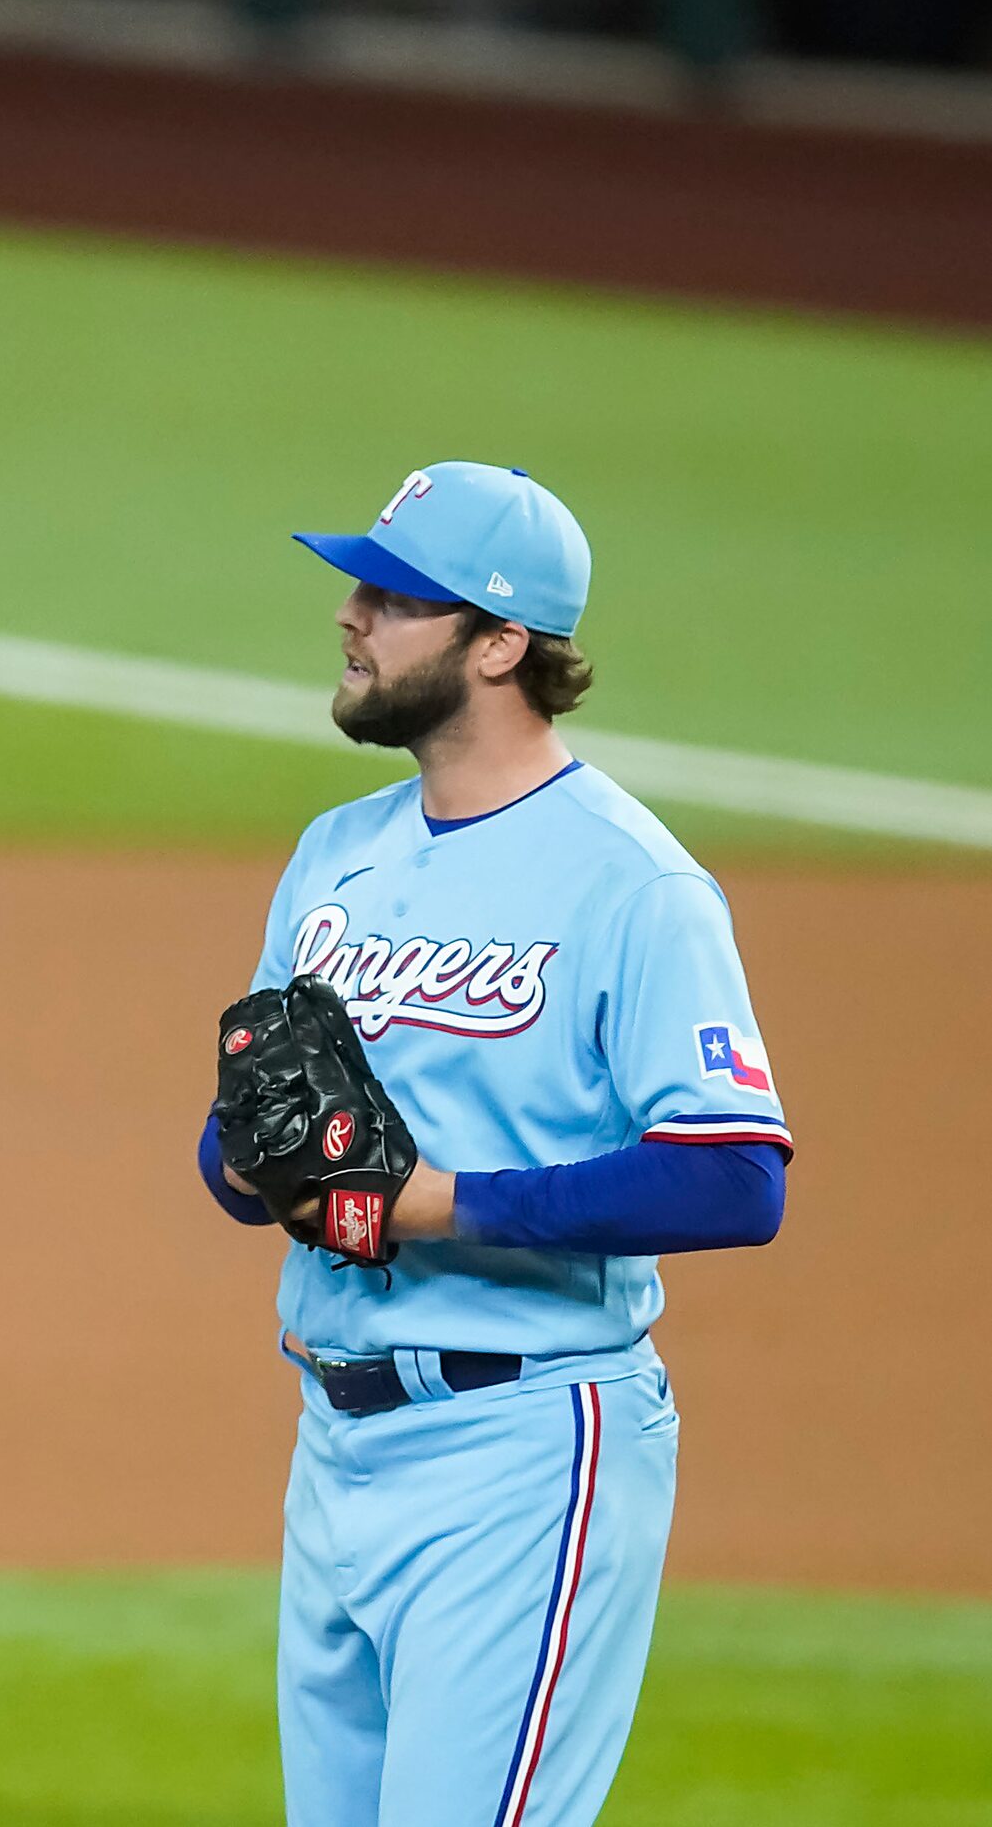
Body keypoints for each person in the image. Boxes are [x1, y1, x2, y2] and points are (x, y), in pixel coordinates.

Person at [201, 463, 789, 1825]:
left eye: (393, 596)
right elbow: (239, 1162)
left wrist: (430, 1201)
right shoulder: (335, 854)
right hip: (334, 1442)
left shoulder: (631, 883)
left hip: (522, 1445)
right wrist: (256, 1163)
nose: (350, 617)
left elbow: (730, 1173)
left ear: (500, 642)